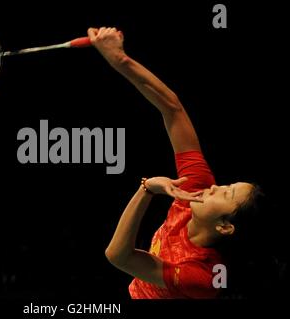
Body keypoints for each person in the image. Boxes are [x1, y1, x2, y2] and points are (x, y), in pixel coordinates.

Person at [88, 27, 263, 299]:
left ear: (225, 226)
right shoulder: (196, 188)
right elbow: (173, 109)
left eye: (226, 193)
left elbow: (118, 256)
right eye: (225, 184)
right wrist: (120, 61)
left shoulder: (203, 275)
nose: (214, 186)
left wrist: (147, 190)